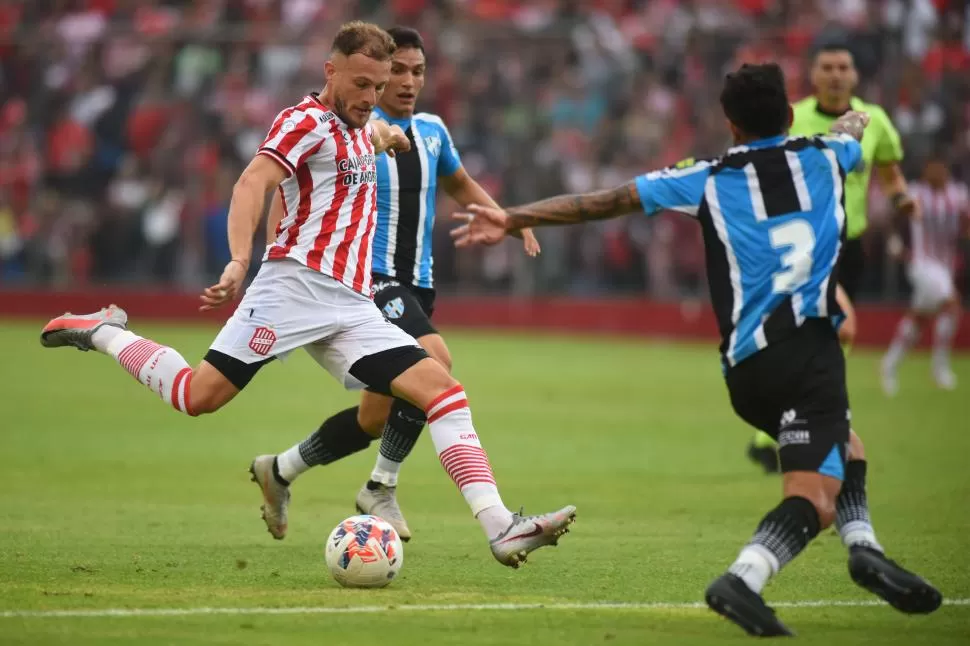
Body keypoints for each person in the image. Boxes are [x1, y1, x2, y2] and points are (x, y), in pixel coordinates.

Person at [39, 21, 574, 568]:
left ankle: (501, 526)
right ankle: (105, 330)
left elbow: (377, 140)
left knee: (443, 390)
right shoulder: (303, 123)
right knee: (197, 396)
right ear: (331, 71)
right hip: (289, 290)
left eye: (379, 85)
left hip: (351, 306)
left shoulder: (365, 130)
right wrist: (239, 259)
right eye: (361, 84)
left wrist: (387, 138)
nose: (371, 98)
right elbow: (253, 181)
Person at [451, 63, 942, 636]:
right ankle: (744, 577)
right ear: (788, 116)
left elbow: (600, 202)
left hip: (745, 368)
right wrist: (856, 116)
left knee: (846, 446)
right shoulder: (828, 158)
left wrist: (513, 216)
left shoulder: (707, 177)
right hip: (810, 352)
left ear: (729, 124)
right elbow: (851, 134)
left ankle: (865, 549)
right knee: (814, 499)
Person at [263, 26, 540, 543]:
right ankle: (380, 487)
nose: (409, 82)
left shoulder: (433, 130)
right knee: (435, 361)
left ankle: (280, 469)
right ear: (380, 74)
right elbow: (291, 187)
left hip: (418, 284)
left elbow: (458, 183)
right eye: (401, 71)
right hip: (368, 278)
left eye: (419, 71)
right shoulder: (353, 132)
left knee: (376, 418)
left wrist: (507, 218)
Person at [746, 42, 918, 474]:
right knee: (823, 334)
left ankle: (779, 429)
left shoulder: (874, 121)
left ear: (855, 75)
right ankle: (800, 425)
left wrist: (902, 201)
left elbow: (891, 174)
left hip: (850, 247)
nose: (837, 74)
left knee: (825, 339)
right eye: (828, 67)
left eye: (844, 66)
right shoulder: (793, 119)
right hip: (803, 246)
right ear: (814, 73)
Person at [881, 154, 968, 395]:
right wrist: (894, 240)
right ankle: (939, 367)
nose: (934, 174)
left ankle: (889, 365)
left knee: (919, 319)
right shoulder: (917, 191)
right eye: (930, 169)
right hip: (921, 263)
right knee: (952, 305)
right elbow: (895, 215)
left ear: (946, 170)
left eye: (939, 169)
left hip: (945, 266)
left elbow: (966, 223)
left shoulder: (958, 194)